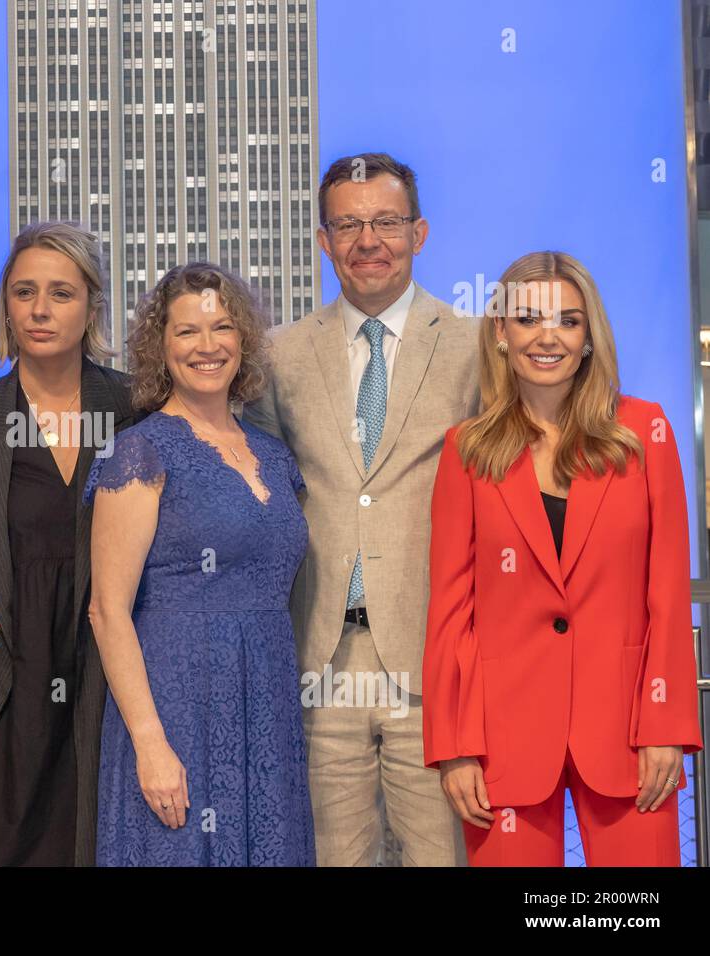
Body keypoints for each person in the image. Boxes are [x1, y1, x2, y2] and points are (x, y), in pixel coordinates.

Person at [424, 251, 703, 866]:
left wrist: (666, 727)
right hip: (503, 740)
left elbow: (665, 594)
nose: (548, 336)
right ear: (501, 333)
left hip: (631, 734)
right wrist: (456, 746)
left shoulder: (645, 432)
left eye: (568, 321)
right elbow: (450, 611)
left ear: (588, 337)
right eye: (528, 319)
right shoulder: (465, 450)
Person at [244, 152, 478, 866]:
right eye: (347, 224)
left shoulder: (478, 348)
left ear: (420, 232)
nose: (367, 240)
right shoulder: (277, 356)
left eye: (385, 222)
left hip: (434, 663)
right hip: (321, 663)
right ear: (322, 240)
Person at [0, 222, 138, 866]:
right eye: (24, 292)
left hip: (106, 692)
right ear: (5, 306)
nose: (40, 310)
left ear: (93, 306)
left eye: (61, 293)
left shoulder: (139, 413)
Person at [85, 262, 314, 866]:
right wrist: (150, 743)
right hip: (175, 706)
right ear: (161, 348)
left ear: (243, 340)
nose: (207, 346)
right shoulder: (139, 451)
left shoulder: (271, 452)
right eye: (187, 332)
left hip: (266, 708)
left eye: (222, 328)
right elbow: (107, 612)